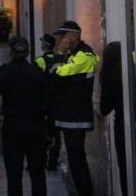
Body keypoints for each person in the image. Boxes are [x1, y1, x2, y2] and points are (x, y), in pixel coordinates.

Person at [0, 35, 47, 196]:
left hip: (12, 127)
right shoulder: (38, 73)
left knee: (13, 174)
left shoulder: (3, 73)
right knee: (37, 172)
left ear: (11, 52)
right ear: (28, 52)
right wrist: (50, 128)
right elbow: (49, 101)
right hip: (35, 126)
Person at [52, 19, 99, 196]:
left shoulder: (83, 55)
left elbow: (58, 75)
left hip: (76, 115)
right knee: (74, 158)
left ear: (73, 36)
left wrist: (59, 54)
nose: (61, 40)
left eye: (63, 36)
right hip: (70, 114)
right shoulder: (73, 54)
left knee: (77, 159)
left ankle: (85, 192)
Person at [99, 41, 127, 196]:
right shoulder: (131, 70)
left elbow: (104, 108)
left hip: (121, 125)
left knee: (124, 167)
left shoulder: (110, 75)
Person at [33, 33, 61, 171]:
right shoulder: (60, 59)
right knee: (55, 133)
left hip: (43, 102)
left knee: (42, 133)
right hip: (57, 102)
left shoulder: (39, 61)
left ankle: (41, 160)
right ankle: (53, 161)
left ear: (44, 45)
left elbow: (34, 83)